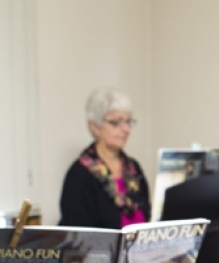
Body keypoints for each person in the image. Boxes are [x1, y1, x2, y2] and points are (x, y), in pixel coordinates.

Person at [59, 87, 151, 229]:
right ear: (95, 127)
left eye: (128, 122)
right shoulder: (79, 177)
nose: (126, 129)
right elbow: (80, 239)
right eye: (116, 123)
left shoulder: (134, 169)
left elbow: (148, 218)